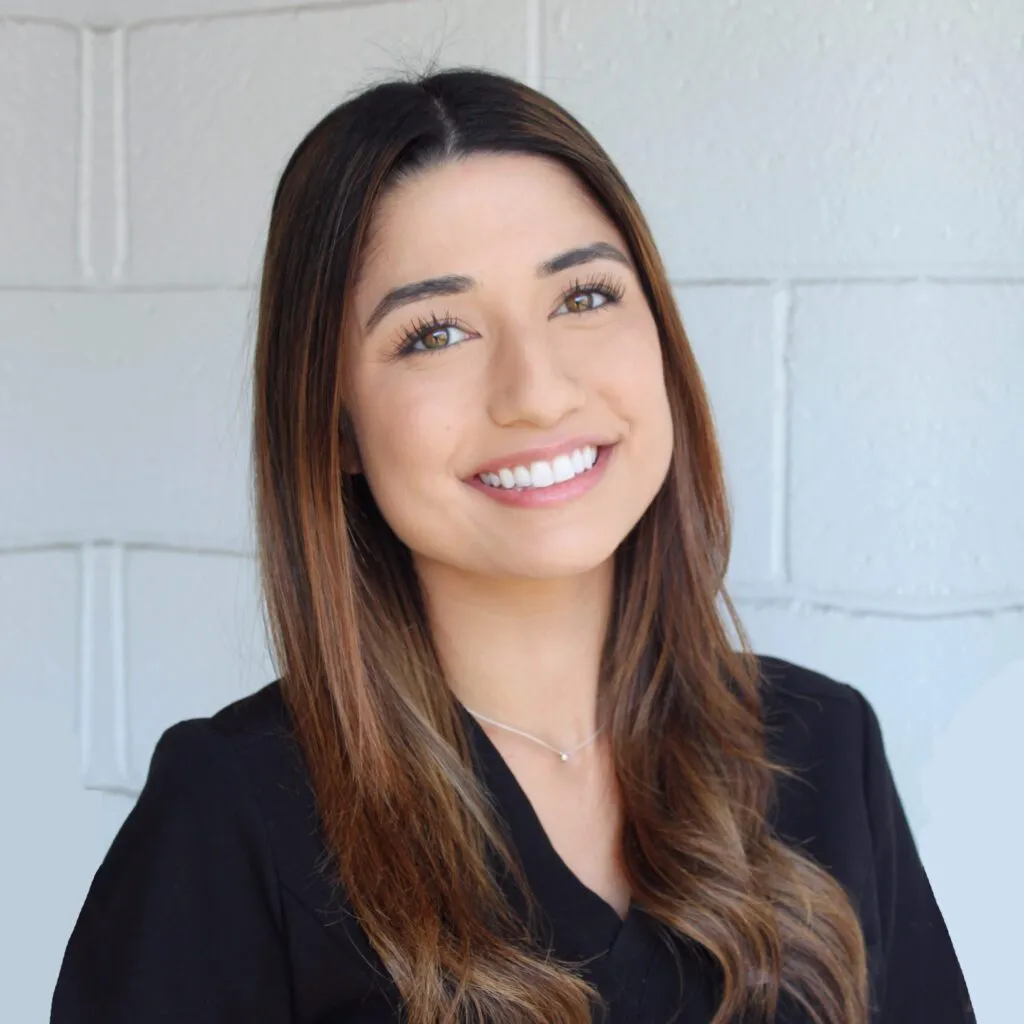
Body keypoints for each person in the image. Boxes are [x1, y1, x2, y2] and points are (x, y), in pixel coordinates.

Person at [50, 65, 974, 1024]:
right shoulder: (232, 816)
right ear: (335, 424)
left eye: (582, 297)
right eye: (436, 333)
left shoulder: (824, 748)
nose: (535, 390)